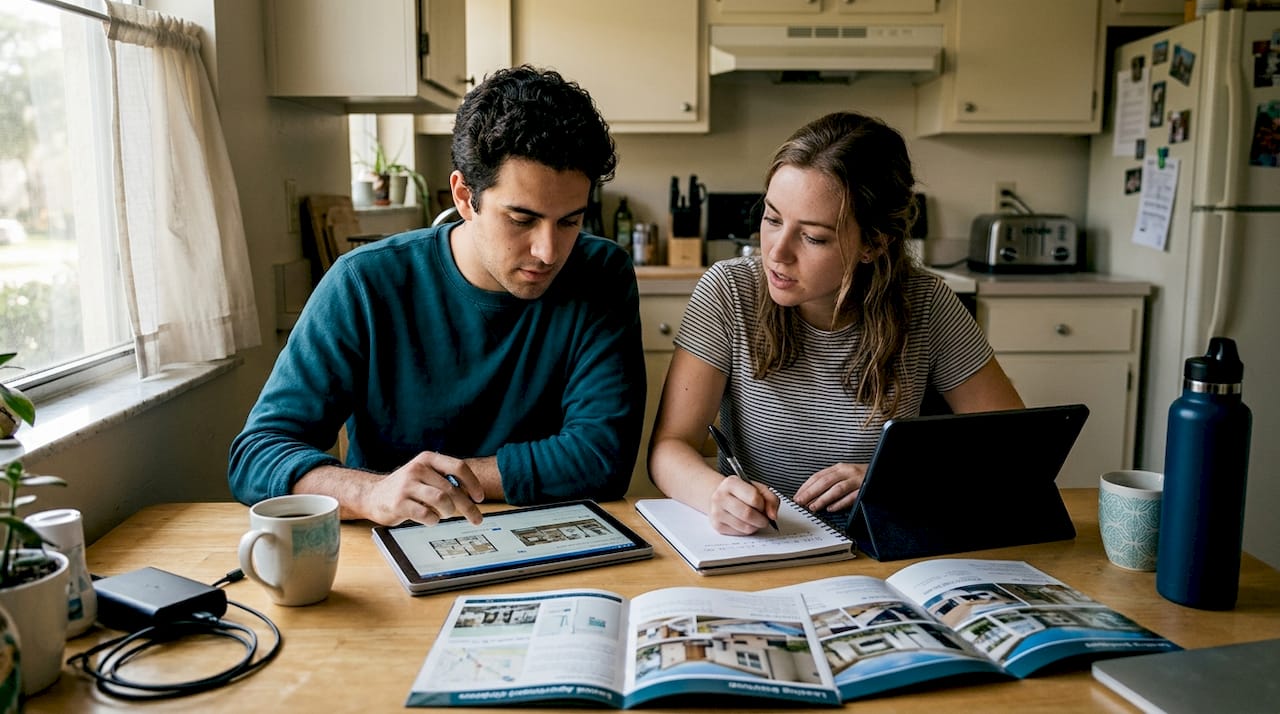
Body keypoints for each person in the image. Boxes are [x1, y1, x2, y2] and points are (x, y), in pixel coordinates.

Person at [229, 66, 645, 526]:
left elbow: (603, 457)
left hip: (553, 539)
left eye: (570, 221)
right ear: (465, 197)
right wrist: (371, 492)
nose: (548, 252)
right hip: (396, 547)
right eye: (522, 220)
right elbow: (257, 454)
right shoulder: (365, 283)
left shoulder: (602, 273)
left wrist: (441, 485)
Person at [647, 111, 1024, 536]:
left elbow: (1012, 448)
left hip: (881, 538)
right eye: (772, 219)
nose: (777, 253)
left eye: (813, 237)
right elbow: (670, 446)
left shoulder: (928, 304)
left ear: (874, 243)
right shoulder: (729, 292)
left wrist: (890, 479)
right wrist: (716, 493)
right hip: (766, 541)